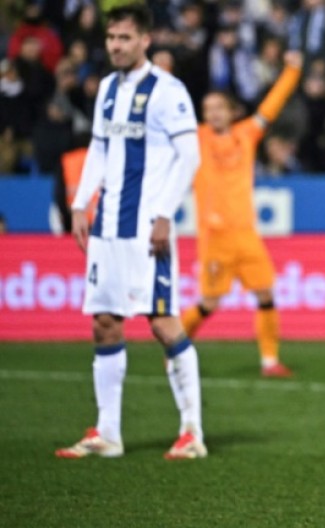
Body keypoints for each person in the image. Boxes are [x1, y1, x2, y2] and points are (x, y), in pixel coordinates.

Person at [56, 4, 206, 460]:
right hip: (106, 230)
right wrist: (81, 203)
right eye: (111, 38)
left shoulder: (167, 90)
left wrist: (164, 213)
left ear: (145, 40)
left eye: (124, 38)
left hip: (146, 230)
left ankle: (191, 433)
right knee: (104, 324)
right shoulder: (104, 89)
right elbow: (99, 150)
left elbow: (191, 157)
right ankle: (108, 433)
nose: (116, 46)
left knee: (162, 323)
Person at [180, 51, 302, 378]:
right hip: (215, 236)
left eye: (218, 108)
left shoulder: (246, 134)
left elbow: (270, 108)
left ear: (232, 111)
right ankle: (175, 350)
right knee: (209, 304)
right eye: (207, 109)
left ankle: (269, 361)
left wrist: (292, 71)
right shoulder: (195, 139)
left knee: (266, 294)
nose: (213, 114)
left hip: (246, 234)